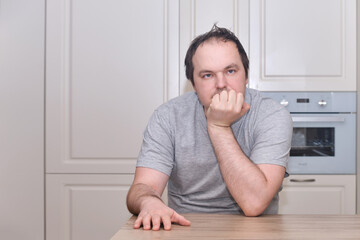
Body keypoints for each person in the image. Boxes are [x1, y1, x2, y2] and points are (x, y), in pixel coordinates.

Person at [126, 25, 292, 231]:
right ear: (193, 84)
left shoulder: (271, 115)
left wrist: (219, 126)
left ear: (246, 75)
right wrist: (148, 201)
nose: (221, 84)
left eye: (230, 71)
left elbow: (254, 203)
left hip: (255, 230)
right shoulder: (167, 117)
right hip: (185, 227)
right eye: (207, 75)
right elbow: (143, 188)